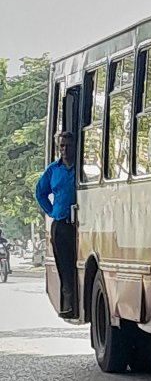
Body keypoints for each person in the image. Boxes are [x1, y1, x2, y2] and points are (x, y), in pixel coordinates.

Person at [35, 131, 76, 317]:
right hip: (60, 225)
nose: (65, 150)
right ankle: (69, 304)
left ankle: (78, 301)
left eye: (68, 145)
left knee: (79, 265)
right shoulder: (53, 169)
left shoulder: (82, 169)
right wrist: (51, 211)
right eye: (61, 146)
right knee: (64, 266)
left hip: (81, 225)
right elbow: (40, 192)